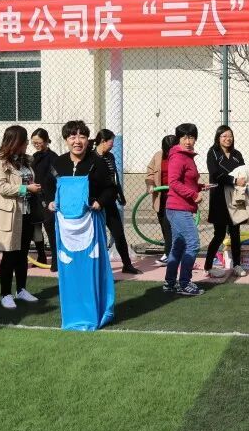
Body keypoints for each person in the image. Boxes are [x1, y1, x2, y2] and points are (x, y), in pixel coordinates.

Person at [47, 120, 117, 330]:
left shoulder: (97, 163)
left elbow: (111, 189)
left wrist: (100, 202)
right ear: (66, 140)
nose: (77, 141)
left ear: (88, 140)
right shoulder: (58, 163)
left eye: (82, 136)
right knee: (69, 271)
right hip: (65, 228)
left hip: (91, 225)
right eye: (72, 137)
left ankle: (94, 314)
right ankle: (72, 315)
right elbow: (48, 188)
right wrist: (49, 202)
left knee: (90, 270)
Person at [0, 125, 43, 310]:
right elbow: (0, 187)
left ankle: (21, 289)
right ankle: (5, 294)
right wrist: (26, 188)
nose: (27, 144)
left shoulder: (25, 161)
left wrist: (33, 186)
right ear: (15, 142)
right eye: (24, 141)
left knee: (23, 254)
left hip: (26, 213)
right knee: (9, 255)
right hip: (9, 215)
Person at [165, 123, 207, 296]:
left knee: (178, 246)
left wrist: (200, 186)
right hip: (178, 208)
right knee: (193, 243)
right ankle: (184, 283)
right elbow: (173, 183)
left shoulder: (187, 157)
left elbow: (186, 181)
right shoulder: (178, 157)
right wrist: (194, 194)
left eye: (191, 137)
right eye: (184, 137)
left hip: (180, 208)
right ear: (179, 139)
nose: (188, 141)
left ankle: (170, 283)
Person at [93, 129, 141, 274]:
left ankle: (127, 264)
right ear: (103, 141)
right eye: (111, 141)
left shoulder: (110, 157)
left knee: (118, 233)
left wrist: (120, 195)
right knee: (96, 236)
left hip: (109, 201)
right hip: (95, 203)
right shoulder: (91, 157)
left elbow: (115, 178)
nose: (112, 145)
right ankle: (96, 267)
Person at [204, 125, 248, 278]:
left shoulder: (237, 154)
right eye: (224, 136)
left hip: (235, 197)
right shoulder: (213, 153)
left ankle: (237, 265)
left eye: (230, 136)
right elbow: (215, 174)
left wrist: (243, 181)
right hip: (219, 198)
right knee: (219, 234)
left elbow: (243, 172)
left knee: (235, 232)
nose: (227, 139)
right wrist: (234, 180)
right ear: (218, 138)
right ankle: (208, 266)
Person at [145, 135, 177, 265]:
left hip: (175, 196)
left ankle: (168, 254)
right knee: (164, 225)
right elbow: (150, 172)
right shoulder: (158, 156)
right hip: (161, 195)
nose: (169, 153)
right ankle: (172, 252)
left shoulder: (181, 157)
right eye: (167, 149)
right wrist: (150, 184)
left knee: (168, 225)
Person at [30, 128, 59, 271]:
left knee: (50, 227)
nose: (37, 145)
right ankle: (41, 255)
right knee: (35, 227)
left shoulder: (53, 157)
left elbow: (56, 177)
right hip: (34, 196)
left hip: (49, 197)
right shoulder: (34, 157)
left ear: (46, 141)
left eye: (39, 142)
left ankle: (56, 259)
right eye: (34, 142)